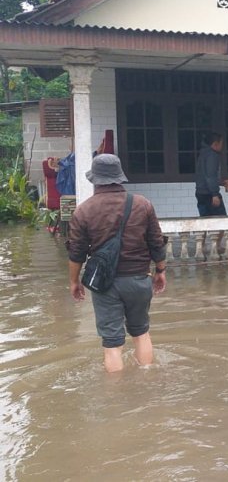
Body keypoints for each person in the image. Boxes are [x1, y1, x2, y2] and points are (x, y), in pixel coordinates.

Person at [65, 154, 167, 373]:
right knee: (141, 334)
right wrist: (160, 270)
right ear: (119, 178)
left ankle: (115, 396)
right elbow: (156, 243)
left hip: (105, 285)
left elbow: (76, 253)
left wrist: (74, 281)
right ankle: (148, 380)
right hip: (140, 279)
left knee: (112, 344)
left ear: (95, 180)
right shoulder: (143, 205)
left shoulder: (83, 211)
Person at [195, 132, 228, 217]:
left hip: (200, 193)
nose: (222, 147)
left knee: (206, 222)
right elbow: (210, 175)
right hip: (209, 194)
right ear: (215, 144)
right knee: (222, 221)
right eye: (221, 144)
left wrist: (222, 183)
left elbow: (206, 175)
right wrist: (215, 194)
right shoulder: (212, 155)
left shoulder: (202, 154)